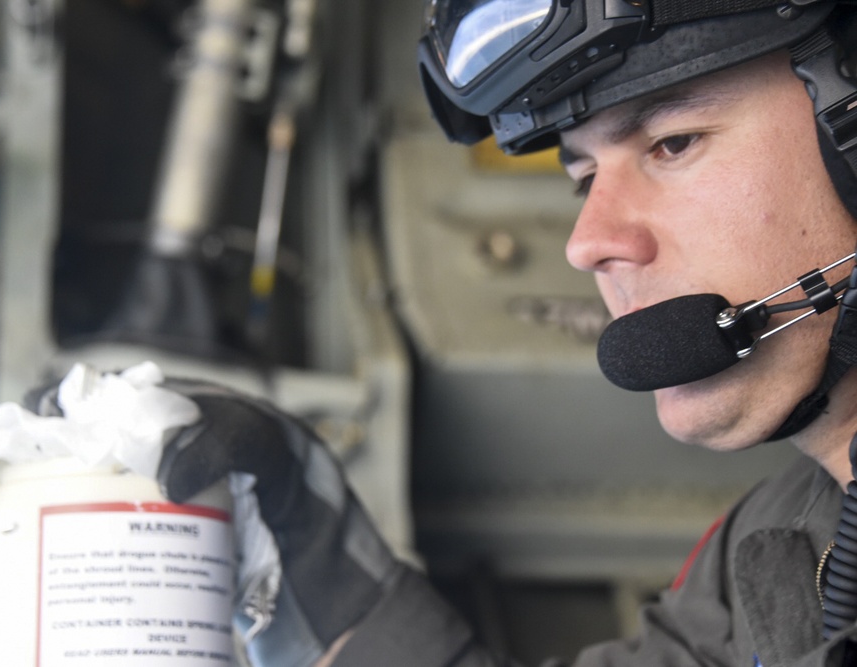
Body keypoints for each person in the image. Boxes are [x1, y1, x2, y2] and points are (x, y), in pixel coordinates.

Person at [151, 1, 857, 665]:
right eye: (583, 179)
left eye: (673, 144)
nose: (589, 242)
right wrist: (323, 565)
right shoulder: (769, 546)